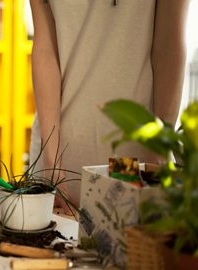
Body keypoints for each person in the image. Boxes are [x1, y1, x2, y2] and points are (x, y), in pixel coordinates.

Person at [29, 0, 190, 212]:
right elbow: (46, 48)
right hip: (57, 163)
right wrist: (52, 162)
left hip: (134, 160)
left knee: (130, 243)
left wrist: (156, 156)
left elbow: (168, 45)